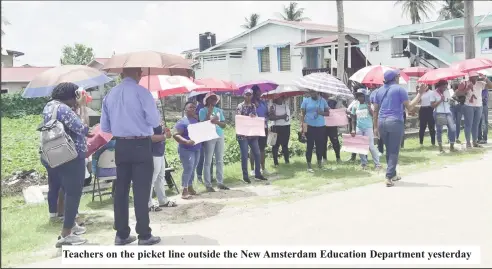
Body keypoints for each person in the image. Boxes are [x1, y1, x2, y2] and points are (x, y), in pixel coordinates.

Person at [101, 67, 161, 246]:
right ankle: (144, 234)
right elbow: (154, 121)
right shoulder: (143, 92)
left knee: (121, 191)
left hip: (121, 145)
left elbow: (105, 127)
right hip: (141, 143)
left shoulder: (109, 94)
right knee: (141, 191)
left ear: (120, 75)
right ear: (139, 74)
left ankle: (121, 234)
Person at [41, 82, 93, 247]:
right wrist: (83, 107)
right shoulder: (64, 109)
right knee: (74, 192)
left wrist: (76, 107)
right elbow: (83, 128)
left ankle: (71, 225)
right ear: (73, 95)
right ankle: (66, 234)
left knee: (66, 189)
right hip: (72, 155)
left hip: (57, 154)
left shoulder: (50, 106)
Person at [373, 70, 425, 187]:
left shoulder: (379, 91)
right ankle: (388, 176)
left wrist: (375, 127)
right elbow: (410, 107)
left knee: (389, 149)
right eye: (398, 76)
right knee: (394, 150)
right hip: (395, 121)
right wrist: (420, 94)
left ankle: (393, 174)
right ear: (395, 78)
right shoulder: (399, 89)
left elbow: (375, 110)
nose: (399, 78)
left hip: (382, 122)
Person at [199, 92, 230, 192]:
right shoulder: (202, 110)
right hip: (209, 136)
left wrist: (217, 122)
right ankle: (208, 184)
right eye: (211, 99)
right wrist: (209, 113)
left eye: (215, 99)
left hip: (219, 135)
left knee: (219, 159)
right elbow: (202, 123)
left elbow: (224, 125)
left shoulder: (219, 110)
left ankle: (220, 182)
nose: (213, 101)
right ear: (207, 100)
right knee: (208, 161)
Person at [236, 88, 267, 183]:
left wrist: (255, 117)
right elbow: (238, 118)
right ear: (244, 95)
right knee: (245, 155)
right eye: (247, 94)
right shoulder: (240, 106)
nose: (248, 96)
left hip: (252, 134)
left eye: (250, 95)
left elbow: (256, 117)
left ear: (252, 96)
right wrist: (246, 118)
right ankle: (245, 176)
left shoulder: (253, 106)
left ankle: (258, 174)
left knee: (257, 154)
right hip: (243, 135)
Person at [173, 101, 201, 199]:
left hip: (197, 148)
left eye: (194, 107)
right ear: (185, 110)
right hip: (186, 149)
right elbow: (176, 135)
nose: (193, 109)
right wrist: (186, 141)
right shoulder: (182, 122)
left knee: (193, 168)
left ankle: (190, 187)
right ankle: (184, 189)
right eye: (190, 107)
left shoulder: (195, 120)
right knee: (188, 168)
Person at [457, 72, 492, 148]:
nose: (476, 78)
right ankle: (468, 142)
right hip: (469, 106)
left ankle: (475, 141)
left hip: (479, 105)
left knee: (475, 125)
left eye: (476, 76)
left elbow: (490, 86)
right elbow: (458, 93)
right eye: (474, 76)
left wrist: (485, 78)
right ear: (470, 77)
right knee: (468, 124)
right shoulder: (464, 83)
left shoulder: (480, 83)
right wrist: (468, 88)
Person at [148, 122, 176, 211]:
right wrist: (164, 136)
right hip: (152, 152)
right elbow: (150, 138)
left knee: (160, 177)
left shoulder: (158, 120)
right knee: (151, 178)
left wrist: (166, 131)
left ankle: (162, 200)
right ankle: (147, 203)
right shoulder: (148, 120)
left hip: (160, 151)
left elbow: (165, 134)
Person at [351, 89, 381, 170]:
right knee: (360, 146)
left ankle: (377, 164)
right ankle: (364, 163)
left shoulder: (368, 105)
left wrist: (369, 108)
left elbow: (373, 115)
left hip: (368, 128)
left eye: (361, 96)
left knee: (371, 146)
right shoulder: (355, 105)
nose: (359, 97)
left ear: (365, 97)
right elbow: (353, 118)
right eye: (358, 96)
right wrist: (353, 129)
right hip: (359, 128)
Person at [300, 90, 330, 172]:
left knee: (320, 146)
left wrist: (321, 112)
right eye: (311, 92)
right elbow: (302, 114)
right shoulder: (306, 101)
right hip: (309, 126)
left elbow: (328, 113)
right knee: (309, 146)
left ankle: (319, 163)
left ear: (317, 92)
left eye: (314, 92)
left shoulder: (323, 101)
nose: (312, 94)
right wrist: (302, 126)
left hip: (320, 126)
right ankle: (309, 166)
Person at [430, 80, 456, 153]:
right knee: (439, 130)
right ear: (439, 86)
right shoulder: (433, 93)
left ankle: (452, 146)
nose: (445, 88)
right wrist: (440, 100)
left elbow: (448, 101)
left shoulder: (447, 92)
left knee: (452, 128)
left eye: (446, 86)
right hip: (439, 112)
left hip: (448, 112)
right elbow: (432, 105)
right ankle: (440, 147)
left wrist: (451, 101)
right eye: (444, 87)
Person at [250, 85, 269, 175]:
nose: (259, 95)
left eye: (259, 93)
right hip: (254, 128)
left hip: (264, 127)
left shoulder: (263, 102)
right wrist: (254, 107)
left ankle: (263, 167)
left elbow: (267, 114)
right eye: (257, 94)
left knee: (262, 148)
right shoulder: (250, 103)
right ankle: (252, 169)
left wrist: (270, 112)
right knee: (253, 148)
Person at [195, 94, 213, 183]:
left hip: (209, 133)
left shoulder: (212, 107)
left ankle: (210, 175)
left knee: (210, 155)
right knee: (201, 156)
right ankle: (199, 176)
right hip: (201, 133)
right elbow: (200, 121)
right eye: (203, 98)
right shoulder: (198, 108)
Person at [268, 96, 290, 166]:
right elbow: (271, 118)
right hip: (276, 127)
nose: (280, 98)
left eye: (281, 97)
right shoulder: (273, 106)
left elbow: (287, 116)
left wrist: (284, 117)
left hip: (286, 126)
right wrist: (282, 117)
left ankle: (287, 161)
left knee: (285, 145)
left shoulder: (286, 106)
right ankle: (275, 162)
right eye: (278, 97)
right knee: (275, 145)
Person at [322, 93, 342, 163]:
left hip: (332, 125)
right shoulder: (319, 101)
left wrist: (340, 101)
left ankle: (338, 158)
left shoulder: (333, 101)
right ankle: (324, 158)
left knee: (335, 142)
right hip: (323, 125)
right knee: (323, 142)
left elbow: (337, 110)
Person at [478, 77, 490, 144]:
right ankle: (479, 138)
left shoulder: (484, 88)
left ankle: (484, 138)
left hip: (483, 106)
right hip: (478, 106)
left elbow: (482, 98)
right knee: (478, 123)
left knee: (484, 123)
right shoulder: (478, 88)